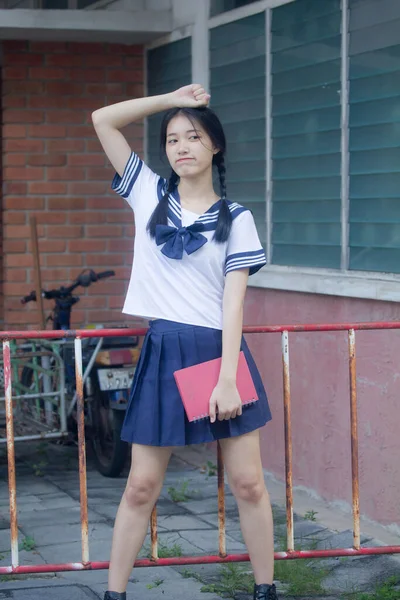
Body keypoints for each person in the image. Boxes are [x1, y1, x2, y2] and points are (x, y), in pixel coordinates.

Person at [92, 84, 278, 600]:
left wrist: (224, 379)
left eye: (193, 136)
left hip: (219, 354)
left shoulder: (237, 218)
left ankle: (266, 588)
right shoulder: (148, 193)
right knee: (141, 486)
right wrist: (171, 98)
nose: (182, 147)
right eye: (173, 139)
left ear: (214, 146)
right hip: (163, 350)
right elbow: (103, 118)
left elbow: (233, 304)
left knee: (248, 484)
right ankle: (115, 594)